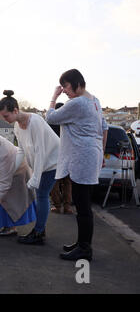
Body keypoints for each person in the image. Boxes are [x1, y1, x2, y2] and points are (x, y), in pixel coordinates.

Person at [46, 69, 108, 262]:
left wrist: (53, 97)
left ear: (77, 84)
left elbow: (51, 117)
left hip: (82, 156)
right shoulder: (94, 101)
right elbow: (104, 128)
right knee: (83, 204)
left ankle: (84, 249)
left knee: (82, 205)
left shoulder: (78, 102)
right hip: (91, 154)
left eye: (65, 86)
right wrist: (101, 152)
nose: (63, 90)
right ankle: (82, 243)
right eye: (62, 87)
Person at [0, 90, 59, 245]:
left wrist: (36, 177)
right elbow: (21, 150)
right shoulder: (18, 127)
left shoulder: (36, 122)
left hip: (53, 162)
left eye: (6, 116)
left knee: (42, 195)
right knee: (40, 195)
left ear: (16, 110)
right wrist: (10, 169)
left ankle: (39, 233)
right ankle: (39, 230)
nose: (5, 119)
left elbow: (40, 152)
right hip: (42, 163)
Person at [48, 103, 73, 215]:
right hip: (68, 154)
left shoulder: (50, 123)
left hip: (54, 155)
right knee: (67, 182)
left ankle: (57, 206)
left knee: (55, 182)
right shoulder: (68, 122)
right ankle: (67, 207)